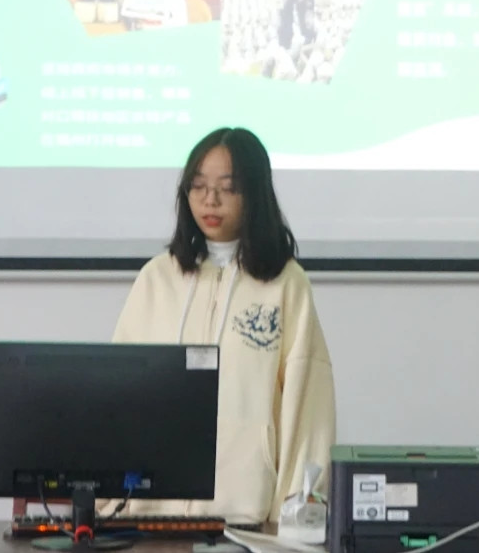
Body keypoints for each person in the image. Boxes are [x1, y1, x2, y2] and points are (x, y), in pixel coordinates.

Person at [112, 127, 336, 525]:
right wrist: (109, 498)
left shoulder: (286, 284)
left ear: (255, 195)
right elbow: (120, 393)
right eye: (198, 186)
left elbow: (308, 407)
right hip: (151, 513)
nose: (210, 200)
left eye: (227, 188)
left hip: (244, 515)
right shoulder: (156, 278)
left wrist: (294, 513)